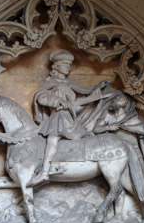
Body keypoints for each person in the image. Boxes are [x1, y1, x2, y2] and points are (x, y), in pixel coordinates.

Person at [31, 49, 109, 184]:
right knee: (52, 139)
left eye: (69, 64)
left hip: (71, 118)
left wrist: (98, 87)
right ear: (56, 66)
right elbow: (41, 97)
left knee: (87, 136)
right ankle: (44, 171)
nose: (68, 66)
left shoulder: (71, 84)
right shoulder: (50, 81)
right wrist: (57, 101)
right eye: (65, 63)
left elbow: (85, 93)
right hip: (58, 116)